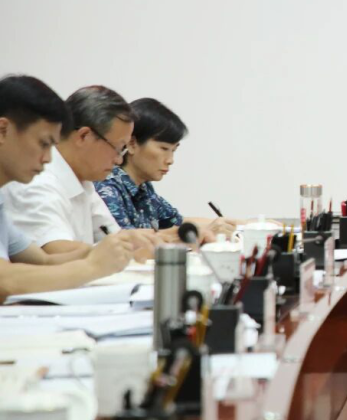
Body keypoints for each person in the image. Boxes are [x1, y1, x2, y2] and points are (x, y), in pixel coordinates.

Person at [0, 75, 154, 302]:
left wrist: (111, 250)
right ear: (3, 130)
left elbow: (43, 260)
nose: (48, 158)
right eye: (43, 144)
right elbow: (5, 282)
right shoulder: (35, 184)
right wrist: (93, 265)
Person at [96, 98, 237, 239]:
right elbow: (128, 243)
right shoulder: (108, 187)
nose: (170, 160)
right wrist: (202, 233)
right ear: (132, 144)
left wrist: (242, 224)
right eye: (164, 149)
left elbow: (177, 222)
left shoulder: (143, 188)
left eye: (173, 150)